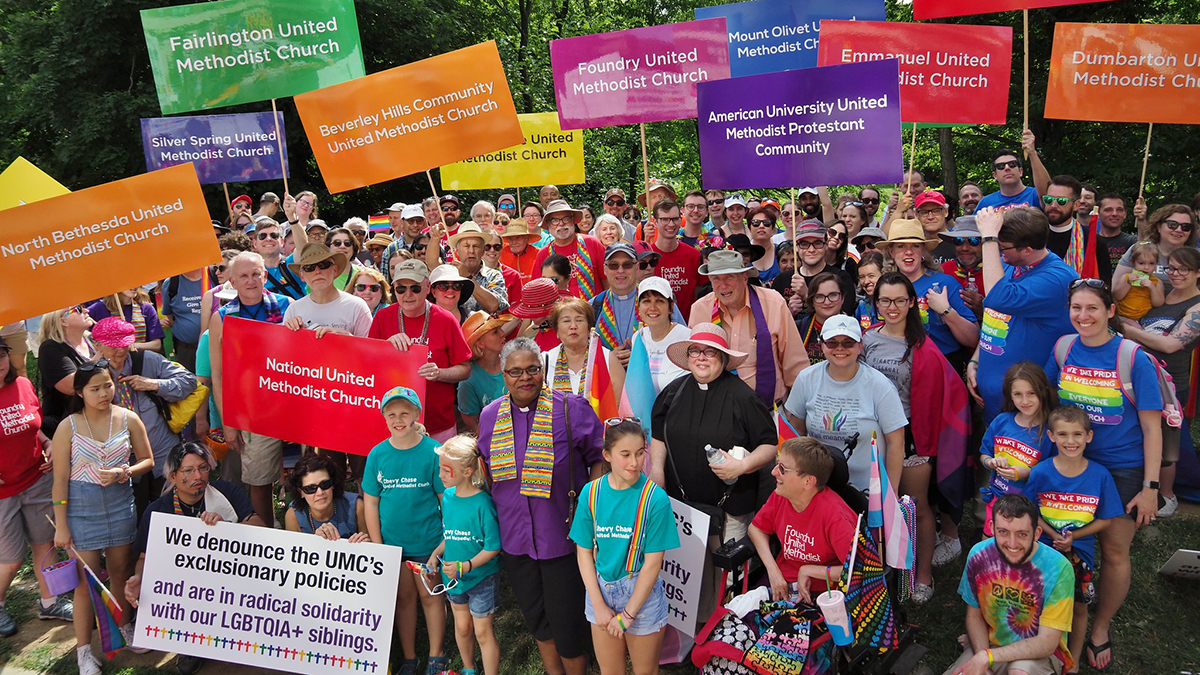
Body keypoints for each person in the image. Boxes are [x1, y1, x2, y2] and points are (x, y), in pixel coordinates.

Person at [1043, 279, 1163, 671]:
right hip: (1071, 462)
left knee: (1113, 550)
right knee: (1060, 540)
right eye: (1076, 308)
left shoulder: (1132, 358)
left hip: (1122, 466)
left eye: (1092, 308)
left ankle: (1099, 628)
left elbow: (1151, 429)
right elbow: (1046, 402)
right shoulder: (1063, 348)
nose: (1083, 316)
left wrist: (1150, 487)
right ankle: (1055, 615)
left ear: (1110, 310)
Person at [478, 339, 606, 675]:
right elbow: (488, 471)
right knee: (536, 616)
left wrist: (590, 509)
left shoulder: (571, 408)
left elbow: (598, 458)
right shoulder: (490, 416)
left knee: (567, 622)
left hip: (560, 535)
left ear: (543, 370)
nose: (525, 377)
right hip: (516, 537)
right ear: (503, 376)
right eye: (516, 371)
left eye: (533, 369)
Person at [648, 322, 775, 626]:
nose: (702, 358)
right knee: (686, 569)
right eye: (696, 351)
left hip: (729, 507)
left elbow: (770, 445)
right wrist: (656, 469)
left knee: (726, 576)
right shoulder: (673, 392)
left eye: (710, 352)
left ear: (722, 358)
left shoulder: (743, 397)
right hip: (680, 503)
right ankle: (689, 630)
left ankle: (725, 636)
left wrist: (742, 466)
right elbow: (658, 435)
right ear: (688, 356)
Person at [860, 274, 971, 601]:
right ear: (875, 303)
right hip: (872, 435)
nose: (891, 307)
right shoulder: (866, 339)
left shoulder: (923, 345)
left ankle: (923, 574)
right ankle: (880, 567)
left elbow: (946, 393)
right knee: (877, 504)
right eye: (884, 301)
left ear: (911, 302)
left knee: (917, 506)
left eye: (898, 300)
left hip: (910, 435)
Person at [125, 441, 264, 675]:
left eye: (203, 468)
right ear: (173, 477)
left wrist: (227, 528)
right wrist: (140, 577)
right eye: (188, 471)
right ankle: (190, 645)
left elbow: (260, 527)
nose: (198, 475)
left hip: (230, 576)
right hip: (189, 588)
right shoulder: (158, 511)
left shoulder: (225, 493)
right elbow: (144, 557)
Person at [51, 361, 154, 675]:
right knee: (85, 583)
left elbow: (148, 461)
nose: (103, 393)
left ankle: (125, 627)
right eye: (94, 388)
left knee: (121, 572)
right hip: (81, 511)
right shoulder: (67, 426)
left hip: (121, 506)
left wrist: (124, 471)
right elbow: (59, 480)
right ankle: (84, 650)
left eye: (107, 385)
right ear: (80, 392)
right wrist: (62, 525)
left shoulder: (128, 418)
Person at [571, 418, 678, 675]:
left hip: (641, 596)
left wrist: (628, 615)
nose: (635, 462)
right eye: (625, 454)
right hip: (600, 590)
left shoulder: (655, 499)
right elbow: (584, 551)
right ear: (607, 454)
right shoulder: (591, 493)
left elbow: (653, 563)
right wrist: (598, 603)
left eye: (640, 453)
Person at [1025, 404, 1123, 672]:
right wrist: (1054, 535)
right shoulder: (1041, 472)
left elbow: (1107, 519)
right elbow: (1030, 511)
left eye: (1078, 434)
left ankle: (1073, 662)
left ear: (1089, 437)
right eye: (1063, 434)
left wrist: (1073, 536)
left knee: (1079, 609)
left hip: (1080, 555)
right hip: (1043, 549)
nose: (1071, 441)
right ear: (1051, 436)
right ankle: (1033, 649)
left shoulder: (1100, 475)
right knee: (1038, 602)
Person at [363, 387, 448, 675]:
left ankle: (436, 656)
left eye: (404, 413)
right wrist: (379, 545)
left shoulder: (433, 451)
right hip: (393, 545)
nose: (398, 420)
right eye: (391, 414)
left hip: (428, 542)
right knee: (403, 598)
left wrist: (445, 540)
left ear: (416, 414)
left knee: (431, 595)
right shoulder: (377, 454)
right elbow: (371, 503)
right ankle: (409, 658)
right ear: (384, 417)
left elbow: (443, 499)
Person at [969, 207, 1078, 423]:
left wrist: (989, 238)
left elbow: (997, 298)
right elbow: (995, 317)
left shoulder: (1057, 278)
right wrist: (975, 360)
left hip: (1026, 407)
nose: (999, 252)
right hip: (992, 401)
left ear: (1027, 250)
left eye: (1003, 247)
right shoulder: (1014, 263)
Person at [944, 494, 1075, 675]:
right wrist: (985, 660)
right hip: (991, 644)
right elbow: (974, 615)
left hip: (1039, 653)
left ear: (1036, 533)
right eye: (1003, 532)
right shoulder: (979, 554)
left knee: (1018, 672)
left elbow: (1046, 643)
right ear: (992, 528)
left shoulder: (1059, 568)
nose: (1012, 544)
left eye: (1022, 534)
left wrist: (985, 658)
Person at [209, 252, 292, 526]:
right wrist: (228, 423)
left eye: (256, 273)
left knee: (306, 471)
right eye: (243, 276)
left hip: (291, 403)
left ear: (265, 275)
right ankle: (267, 533)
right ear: (232, 281)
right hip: (252, 411)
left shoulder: (287, 306)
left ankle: (302, 528)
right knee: (259, 479)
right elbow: (218, 375)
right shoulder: (221, 318)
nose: (251, 280)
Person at [1119, 246, 1200, 517]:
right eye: (1173, 268)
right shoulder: (1164, 294)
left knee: (1166, 442)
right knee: (1143, 435)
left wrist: (1125, 329)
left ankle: (1167, 495)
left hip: (1170, 382)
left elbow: (1169, 344)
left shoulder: (1197, 306)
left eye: (1183, 269)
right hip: (1142, 374)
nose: (1176, 274)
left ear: (1198, 273)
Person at [0, 336, 73, 637]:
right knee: (11, 556)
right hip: (3, 493)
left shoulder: (22, 386)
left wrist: (48, 443)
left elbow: (35, 424)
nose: (0, 363)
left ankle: (50, 601)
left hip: (36, 478)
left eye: (2, 355)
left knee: (45, 543)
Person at [90, 318, 196, 521]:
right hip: (122, 459)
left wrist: (154, 384)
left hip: (162, 451)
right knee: (134, 516)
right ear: (98, 346)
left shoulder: (146, 360)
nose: (120, 351)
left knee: (171, 511)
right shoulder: (92, 372)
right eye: (113, 346)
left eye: (124, 345)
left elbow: (189, 381)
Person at [785, 315, 905, 493]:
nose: (840, 348)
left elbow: (896, 442)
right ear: (822, 345)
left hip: (866, 489)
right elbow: (795, 434)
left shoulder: (880, 386)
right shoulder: (806, 378)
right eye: (832, 343)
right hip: (815, 486)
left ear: (860, 346)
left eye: (848, 342)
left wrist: (890, 492)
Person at [368, 260, 472, 442]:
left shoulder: (446, 320)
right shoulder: (382, 317)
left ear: (427, 287)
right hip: (394, 426)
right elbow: (368, 366)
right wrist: (385, 348)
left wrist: (439, 373)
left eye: (415, 288)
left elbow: (465, 369)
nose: (408, 295)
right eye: (401, 289)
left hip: (439, 426)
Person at [425, 435, 503, 675]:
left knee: (482, 631)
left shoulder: (483, 504)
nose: (441, 476)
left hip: (480, 578)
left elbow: (493, 546)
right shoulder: (448, 498)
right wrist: (435, 553)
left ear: (468, 471)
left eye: (446, 471)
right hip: (454, 579)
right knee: (461, 626)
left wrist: (466, 566)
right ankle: (469, 669)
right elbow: (452, 533)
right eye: (440, 470)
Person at [690, 250, 807, 406]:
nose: (722, 285)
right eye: (716, 278)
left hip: (768, 410)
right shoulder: (700, 309)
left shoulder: (773, 303)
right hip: (718, 409)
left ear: (744, 278)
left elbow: (794, 362)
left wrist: (797, 410)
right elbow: (694, 362)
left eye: (729, 277)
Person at [748, 436, 856, 602]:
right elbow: (756, 528)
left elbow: (857, 571)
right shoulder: (782, 496)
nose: (774, 472)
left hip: (824, 594)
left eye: (782, 469)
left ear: (808, 481)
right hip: (782, 582)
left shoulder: (836, 517)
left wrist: (809, 570)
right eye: (777, 463)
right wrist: (773, 570)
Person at [877, 220, 979, 367]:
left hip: (942, 365)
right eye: (901, 246)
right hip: (897, 366)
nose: (909, 251)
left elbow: (973, 339)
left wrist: (946, 312)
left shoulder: (945, 284)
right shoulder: (884, 287)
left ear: (923, 250)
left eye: (915, 246)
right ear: (891, 252)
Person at [591, 242, 685, 364]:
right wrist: (608, 358)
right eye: (613, 265)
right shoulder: (594, 306)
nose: (620, 270)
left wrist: (644, 357)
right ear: (604, 269)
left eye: (627, 264)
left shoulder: (658, 301)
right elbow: (581, 353)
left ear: (636, 268)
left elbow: (681, 343)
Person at [283, 243, 373, 338]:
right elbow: (287, 349)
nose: (317, 271)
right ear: (302, 275)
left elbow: (370, 348)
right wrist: (291, 331)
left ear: (335, 270)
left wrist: (346, 337)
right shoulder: (293, 309)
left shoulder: (357, 306)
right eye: (309, 268)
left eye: (323, 265)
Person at [34, 306, 97, 434]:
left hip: (99, 417)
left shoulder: (93, 340)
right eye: (78, 309)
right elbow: (71, 386)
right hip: (69, 427)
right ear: (62, 321)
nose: (87, 311)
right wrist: (102, 354)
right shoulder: (50, 348)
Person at [544, 297, 625, 396]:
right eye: (566, 321)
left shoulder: (606, 358)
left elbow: (619, 404)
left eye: (579, 320)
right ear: (557, 331)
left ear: (589, 328)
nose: (573, 326)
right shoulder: (545, 361)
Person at [777, 221, 856, 317]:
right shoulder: (781, 280)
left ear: (826, 245)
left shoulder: (841, 278)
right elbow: (773, 322)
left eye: (817, 243)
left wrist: (807, 295)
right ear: (796, 247)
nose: (811, 250)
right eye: (804, 244)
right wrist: (788, 313)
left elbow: (844, 320)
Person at [284, 451, 368, 541]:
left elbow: (373, 548)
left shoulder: (357, 507)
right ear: (301, 492)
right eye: (311, 488)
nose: (320, 492)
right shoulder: (293, 516)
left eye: (325, 484)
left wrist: (364, 543)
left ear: (333, 484)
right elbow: (294, 552)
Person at [533, 200, 607, 301]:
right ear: (548, 225)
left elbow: (607, 280)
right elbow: (539, 291)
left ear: (573, 220)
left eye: (566, 218)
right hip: (558, 315)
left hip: (595, 312)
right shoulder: (543, 254)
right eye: (555, 220)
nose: (561, 223)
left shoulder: (591, 243)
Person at [1113, 204, 1196, 288]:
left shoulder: (1196, 257)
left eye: (1186, 227)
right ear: (1159, 227)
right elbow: (1114, 287)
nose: (1179, 230)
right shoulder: (1138, 249)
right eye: (1172, 224)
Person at [432, 223, 508, 314]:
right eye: (466, 246)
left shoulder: (494, 275)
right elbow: (432, 262)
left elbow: (493, 305)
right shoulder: (448, 271)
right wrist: (435, 238)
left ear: (483, 251)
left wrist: (468, 277)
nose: (471, 251)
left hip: (484, 328)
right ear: (457, 250)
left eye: (476, 246)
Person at [633, 278, 691, 393]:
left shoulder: (687, 337)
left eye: (659, 301)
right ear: (639, 307)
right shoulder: (638, 337)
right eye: (646, 301)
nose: (653, 308)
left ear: (671, 307)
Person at [458, 311, 510, 434]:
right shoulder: (468, 381)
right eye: (495, 332)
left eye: (500, 329)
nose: (503, 334)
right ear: (480, 343)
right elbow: (472, 422)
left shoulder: (514, 363)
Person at [649, 199, 702, 320]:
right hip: (655, 328)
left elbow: (699, 294)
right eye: (665, 219)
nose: (671, 224)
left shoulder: (694, 255)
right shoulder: (647, 259)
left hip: (688, 326)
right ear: (655, 222)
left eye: (674, 219)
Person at [86, 290, 164, 354]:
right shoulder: (98, 308)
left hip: (140, 360)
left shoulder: (146, 308)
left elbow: (157, 345)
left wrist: (133, 345)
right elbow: (78, 328)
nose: (134, 286)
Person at [160, 267, 207, 371]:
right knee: (189, 384)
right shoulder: (172, 283)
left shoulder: (213, 275)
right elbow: (170, 316)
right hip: (186, 350)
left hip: (215, 348)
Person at [796, 273, 847, 365]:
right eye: (819, 297)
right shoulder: (797, 329)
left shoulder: (857, 331)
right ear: (812, 301)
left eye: (833, 295)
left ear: (842, 298)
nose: (827, 302)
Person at [939, 218, 985, 317]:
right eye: (958, 241)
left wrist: (984, 309)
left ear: (983, 243)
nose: (964, 248)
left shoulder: (994, 271)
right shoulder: (944, 269)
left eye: (973, 241)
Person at [975, 146, 1041, 211]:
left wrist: (1032, 153)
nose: (1007, 168)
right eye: (1001, 166)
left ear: (1020, 171)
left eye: (1012, 164)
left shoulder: (1036, 194)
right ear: (995, 175)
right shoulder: (985, 203)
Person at [1114, 241, 1164, 320]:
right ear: (1133, 262)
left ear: (1156, 264)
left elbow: (1158, 304)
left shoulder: (1157, 282)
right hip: (1123, 316)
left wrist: (1152, 288)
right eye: (1141, 263)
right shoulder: (1126, 277)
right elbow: (1117, 296)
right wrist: (1128, 283)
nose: (1146, 267)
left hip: (1145, 317)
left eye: (1151, 263)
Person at [383, 204, 432, 281]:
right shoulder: (391, 249)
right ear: (402, 222)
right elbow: (386, 281)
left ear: (424, 222)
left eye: (419, 221)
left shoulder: (434, 246)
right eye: (410, 221)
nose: (415, 225)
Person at [1095, 193, 1136, 277]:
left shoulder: (1133, 242)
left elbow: (1145, 249)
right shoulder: (1089, 241)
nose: (1114, 214)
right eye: (1108, 210)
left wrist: (1142, 220)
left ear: (1125, 214)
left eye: (1119, 210)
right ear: (1098, 214)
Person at [913, 191, 958, 267]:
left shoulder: (958, 243)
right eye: (924, 212)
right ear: (916, 215)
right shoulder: (914, 248)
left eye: (936, 211)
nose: (930, 217)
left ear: (946, 212)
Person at [482, 231, 522, 307]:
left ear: (501, 248)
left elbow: (517, 307)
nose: (492, 250)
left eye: (497, 247)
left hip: (507, 318)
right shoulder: (472, 273)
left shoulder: (513, 275)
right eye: (487, 247)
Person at [500, 219, 541, 288]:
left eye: (518, 238)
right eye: (511, 239)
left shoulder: (538, 254)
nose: (514, 242)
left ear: (527, 238)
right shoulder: (500, 254)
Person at [854, 250, 885, 330]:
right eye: (862, 277)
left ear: (884, 274)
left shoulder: (894, 305)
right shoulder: (862, 307)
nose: (866, 281)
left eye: (871, 276)